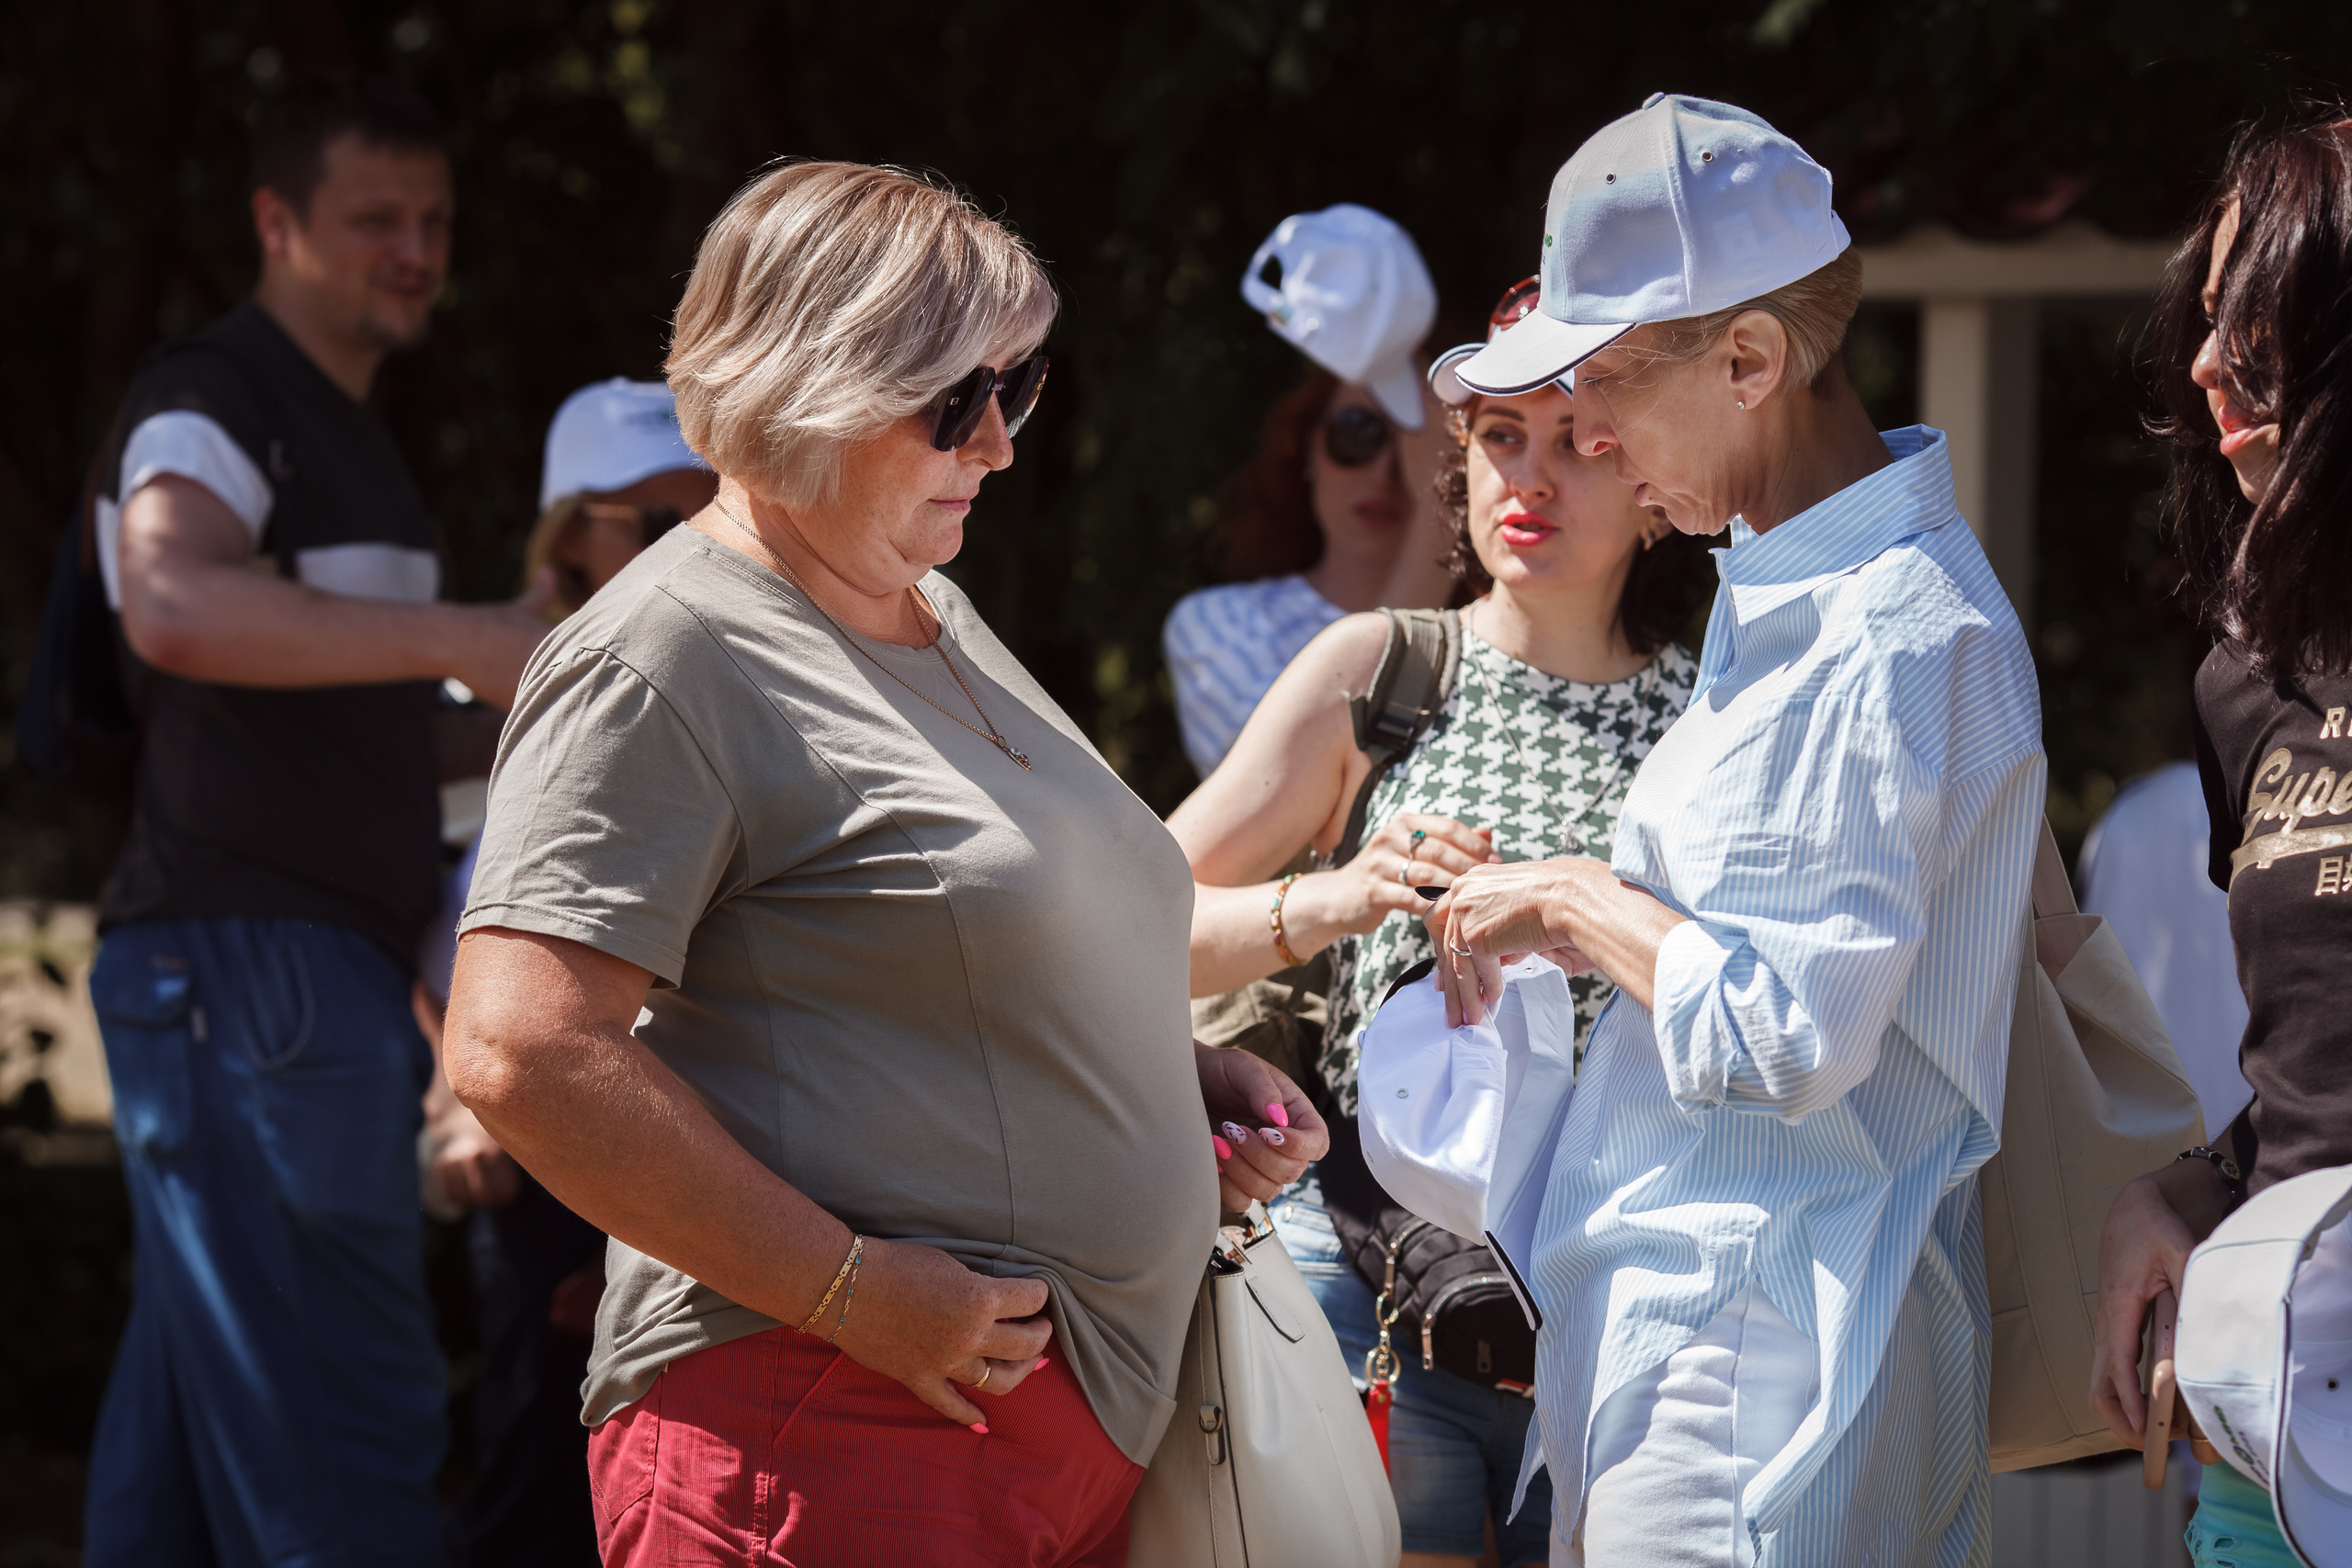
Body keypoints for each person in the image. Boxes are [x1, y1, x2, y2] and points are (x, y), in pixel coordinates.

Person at [438, 161, 1330, 1565]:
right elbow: (520, 1048)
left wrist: (1165, 1080)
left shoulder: (929, 605)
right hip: (828, 1429)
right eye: (958, 400)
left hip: (1012, 1441)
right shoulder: (661, 648)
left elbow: (948, 953)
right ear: (808, 385)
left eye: (1020, 386)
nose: (1003, 444)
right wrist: (843, 1285)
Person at [1416, 94, 2043, 1564]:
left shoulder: (1877, 627)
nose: (1587, 438)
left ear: (1751, 361)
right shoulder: (1811, 596)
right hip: (1734, 1337)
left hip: (1751, 1367)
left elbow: (1785, 1036)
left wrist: (1580, 901)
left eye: (1604, 389)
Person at [1168, 269, 1712, 1567]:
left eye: (1579, 440)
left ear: (1652, 484)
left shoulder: (1716, 716)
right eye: (1500, 436)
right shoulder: (1386, 667)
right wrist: (1341, 894)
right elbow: (1134, 918)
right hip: (1363, 1272)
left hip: (1613, 1298)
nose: (1531, 476)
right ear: (1457, 464)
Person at [78, 76, 550, 1567]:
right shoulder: (215, 396)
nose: (416, 251)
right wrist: (470, 634)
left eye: (437, 221)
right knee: (347, 1441)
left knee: (177, 1465)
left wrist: (563, 701)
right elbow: (172, 600)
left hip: (292, 970)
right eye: (375, 220)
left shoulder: (352, 439)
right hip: (253, 969)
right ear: (276, 225)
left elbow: (368, 734)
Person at [2090, 111, 2352, 1568]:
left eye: (2256, 316)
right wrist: (2187, 1185)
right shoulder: (2247, 678)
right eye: (2205, 318)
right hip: (2283, 1419)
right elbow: (2315, 1070)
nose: (2206, 366)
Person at [413, 378, 714, 1568]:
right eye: (651, 520)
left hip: (707, 1131)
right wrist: (453, 1099)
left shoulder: (739, 678)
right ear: (568, 533)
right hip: (537, 1141)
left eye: (706, 509)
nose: (687, 542)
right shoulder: (468, 704)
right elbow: (414, 918)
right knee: (537, 1465)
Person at [1164, 204, 1454, 776]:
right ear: (1307, 450)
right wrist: (1442, 510)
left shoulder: (1501, 631)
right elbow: (1303, 792)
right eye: (1357, 433)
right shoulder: (1220, 628)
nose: (1386, 472)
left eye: (1414, 444)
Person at [2078, 761, 2253, 1137]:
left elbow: (2088, 956)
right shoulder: (2251, 813)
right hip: (2245, 1100)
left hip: (2138, 1102)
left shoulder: (2123, 814)